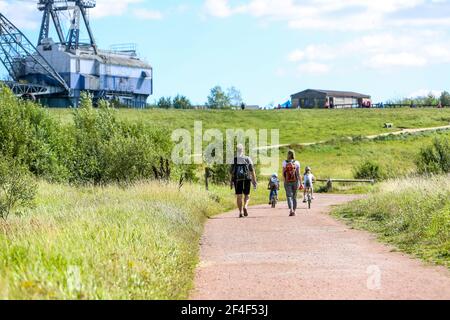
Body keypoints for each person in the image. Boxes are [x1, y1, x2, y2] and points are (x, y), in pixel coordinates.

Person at [230, 144, 258, 218]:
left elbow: (231, 172)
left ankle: (241, 212)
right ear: (243, 150)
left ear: (237, 150)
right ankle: (245, 206)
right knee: (247, 195)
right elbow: (252, 170)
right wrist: (254, 181)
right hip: (247, 178)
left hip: (237, 179)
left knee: (239, 196)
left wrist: (231, 182)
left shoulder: (234, 159)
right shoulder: (247, 158)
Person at [283, 150, 302, 217]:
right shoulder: (297, 163)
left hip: (287, 181)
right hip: (295, 181)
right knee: (294, 197)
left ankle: (291, 210)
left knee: (289, 196)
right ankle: (294, 211)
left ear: (288, 155)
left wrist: (284, 181)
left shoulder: (285, 162)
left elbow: (283, 173)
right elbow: (299, 174)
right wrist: (301, 183)